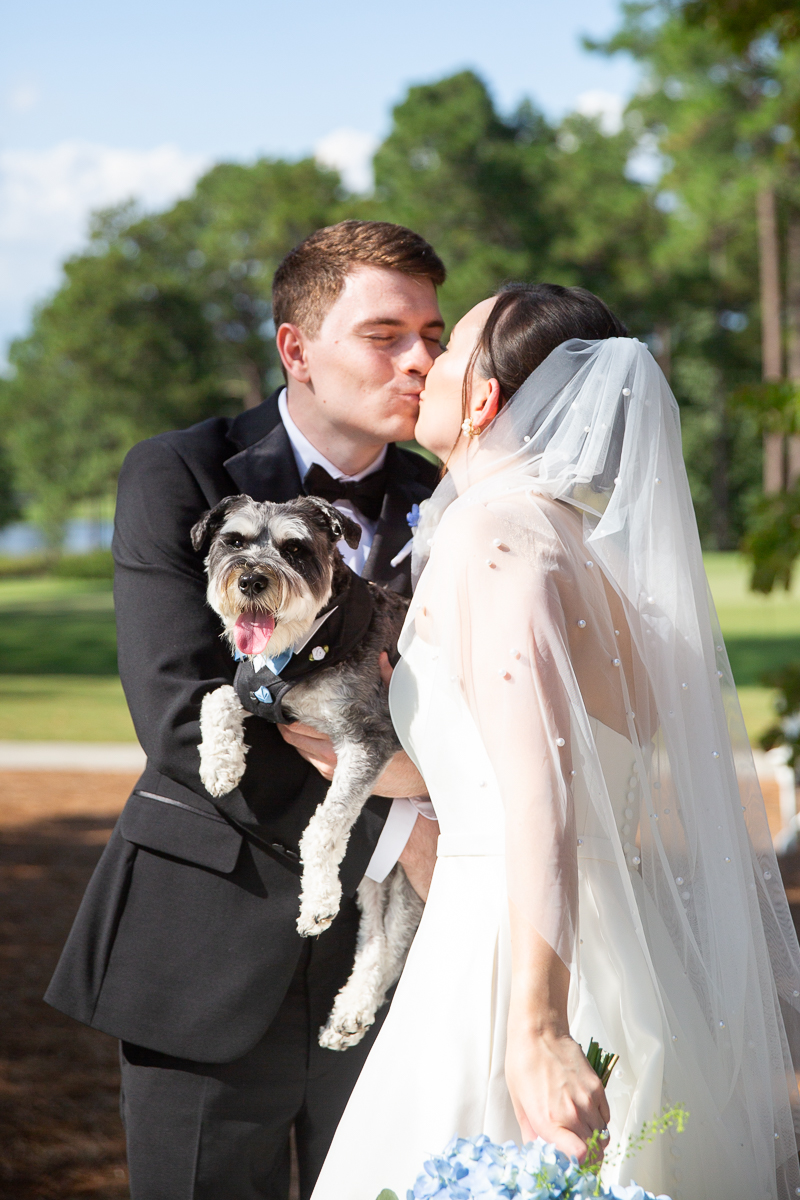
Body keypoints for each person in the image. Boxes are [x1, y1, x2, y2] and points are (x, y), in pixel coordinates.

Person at [312, 283, 800, 1200]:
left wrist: (535, 1026)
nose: (427, 368)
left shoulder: (494, 538)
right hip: (614, 942)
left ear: (487, 399)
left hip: (507, 948)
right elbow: (528, 762)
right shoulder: (587, 554)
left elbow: (545, 793)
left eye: (449, 350)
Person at [44, 220, 446, 1200]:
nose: (419, 360)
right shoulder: (180, 473)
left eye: (431, 336)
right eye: (384, 333)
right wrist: (412, 815)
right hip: (205, 947)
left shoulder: (452, 501)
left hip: (399, 968)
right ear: (296, 349)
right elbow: (186, 718)